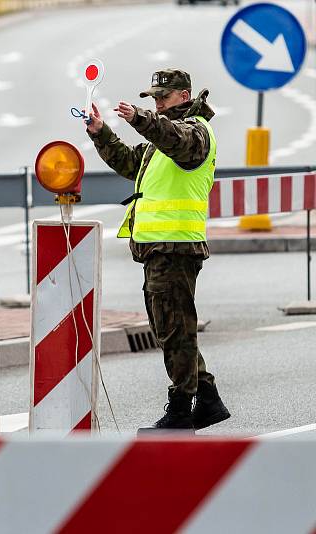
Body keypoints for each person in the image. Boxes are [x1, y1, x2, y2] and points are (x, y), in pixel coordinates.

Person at [84, 68, 230, 433]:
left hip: (176, 246)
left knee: (174, 330)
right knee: (172, 328)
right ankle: (207, 398)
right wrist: (102, 134)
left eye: (163, 98)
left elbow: (174, 138)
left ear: (184, 96)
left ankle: (181, 411)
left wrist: (140, 118)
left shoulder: (195, 132)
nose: (158, 105)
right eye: (154, 100)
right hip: (159, 248)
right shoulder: (159, 142)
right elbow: (130, 163)